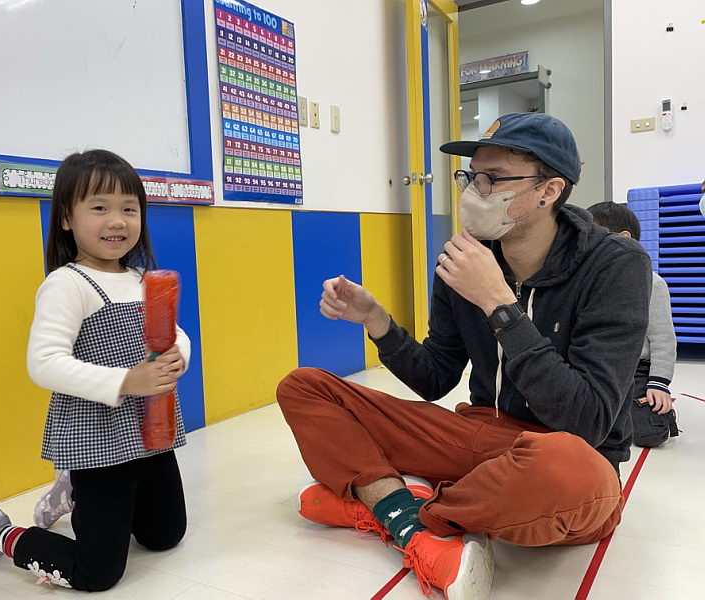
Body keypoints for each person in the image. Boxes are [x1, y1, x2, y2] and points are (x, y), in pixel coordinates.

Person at [277, 113, 652, 599]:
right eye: (471, 176)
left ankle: (391, 505)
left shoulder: (616, 265)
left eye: (494, 178)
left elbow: (588, 420)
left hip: (567, 454)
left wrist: (500, 305)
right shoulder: (461, 259)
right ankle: (417, 517)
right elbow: (436, 377)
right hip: (478, 436)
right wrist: (377, 322)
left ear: (549, 190)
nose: (475, 191)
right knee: (304, 387)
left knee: (568, 470)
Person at [0, 149, 190, 591]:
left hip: (152, 430)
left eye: (129, 209)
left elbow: (175, 334)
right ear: (67, 217)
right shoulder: (67, 284)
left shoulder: (142, 279)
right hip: (98, 438)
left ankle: (74, 491)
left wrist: (179, 354)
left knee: (165, 536)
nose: (117, 221)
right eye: (99, 208)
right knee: (97, 574)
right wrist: (126, 380)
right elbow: (44, 363)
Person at [588, 202, 679, 447]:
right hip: (599, 365)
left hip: (636, 369)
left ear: (623, 239)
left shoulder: (652, 283)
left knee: (650, 435)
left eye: (593, 237)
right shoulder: (589, 280)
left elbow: (663, 339)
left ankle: (653, 412)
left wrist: (659, 383)